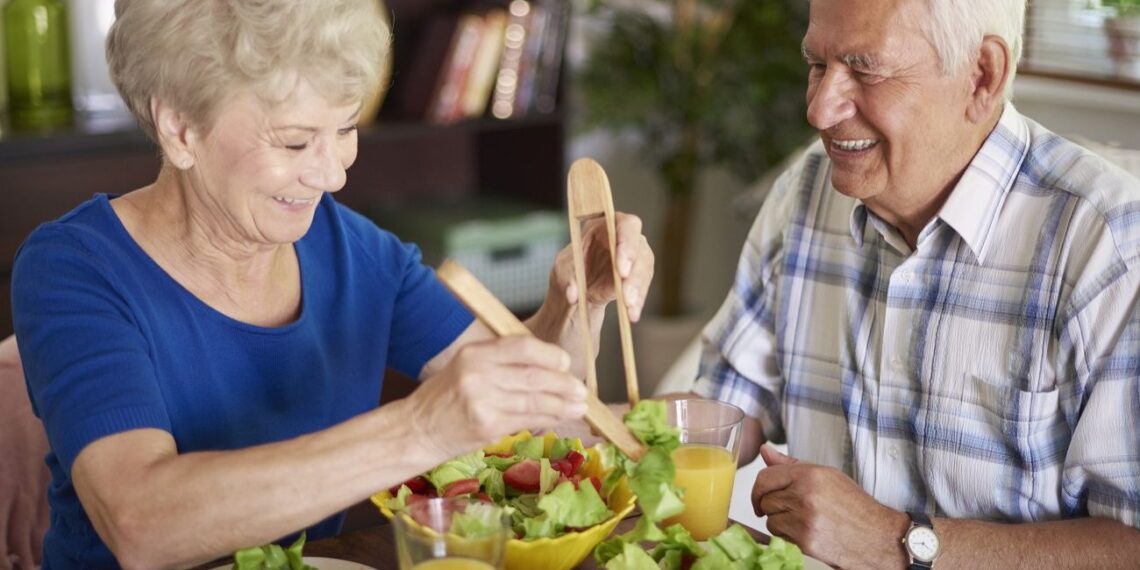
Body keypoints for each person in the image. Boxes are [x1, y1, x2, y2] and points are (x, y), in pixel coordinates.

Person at [9, 0, 654, 567]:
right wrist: (421, 430)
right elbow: (141, 525)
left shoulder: (352, 249)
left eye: (345, 130)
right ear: (181, 128)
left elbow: (538, 413)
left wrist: (576, 301)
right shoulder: (76, 268)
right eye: (295, 142)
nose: (333, 174)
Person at [691, 0, 1140, 568]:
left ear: (982, 75)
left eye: (865, 69)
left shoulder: (1109, 244)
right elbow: (724, 410)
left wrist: (892, 541)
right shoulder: (805, 192)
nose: (820, 108)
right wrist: (583, 369)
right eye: (817, 65)